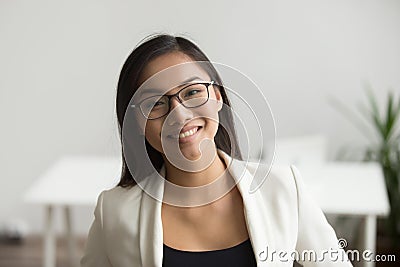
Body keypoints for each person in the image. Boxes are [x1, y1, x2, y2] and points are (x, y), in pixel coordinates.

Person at [80, 34, 353, 267]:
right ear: (136, 122)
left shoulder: (283, 189)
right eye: (155, 103)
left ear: (218, 96)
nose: (180, 113)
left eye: (192, 92)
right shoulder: (113, 211)